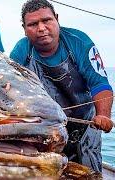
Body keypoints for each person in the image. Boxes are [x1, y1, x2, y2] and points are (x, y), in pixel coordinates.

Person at [10, 0, 113, 172]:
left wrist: (103, 115)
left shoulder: (78, 42)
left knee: (89, 172)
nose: (41, 28)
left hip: (86, 125)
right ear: (24, 29)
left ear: (57, 19)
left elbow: (99, 83)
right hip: (46, 128)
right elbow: (11, 90)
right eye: (33, 24)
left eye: (46, 20)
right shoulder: (21, 52)